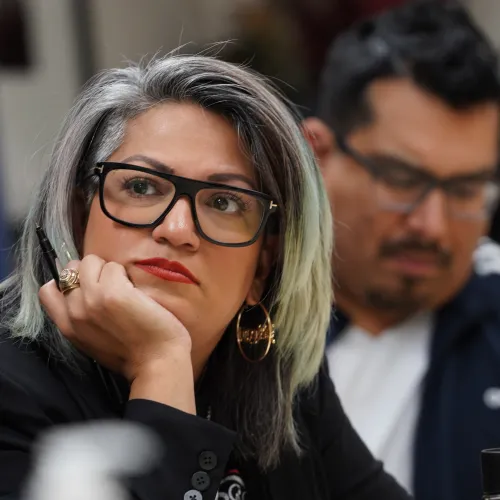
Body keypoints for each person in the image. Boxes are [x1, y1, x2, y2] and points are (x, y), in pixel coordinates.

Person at [0, 54, 410, 500]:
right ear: (79, 217)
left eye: (224, 202)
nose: (177, 230)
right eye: (141, 186)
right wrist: (162, 367)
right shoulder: (9, 387)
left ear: (263, 264)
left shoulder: (283, 383)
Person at [302, 1, 500, 500]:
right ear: (318, 154)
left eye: (465, 190)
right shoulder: (234, 320)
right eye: (401, 178)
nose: (431, 226)